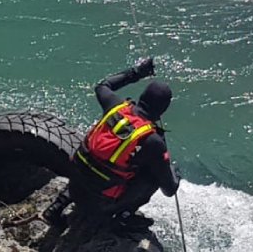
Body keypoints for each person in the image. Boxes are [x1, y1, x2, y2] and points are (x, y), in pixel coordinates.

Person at [43, 57, 180, 233]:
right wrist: (175, 173)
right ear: (163, 110)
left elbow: (102, 86)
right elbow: (169, 190)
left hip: (74, 186)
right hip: (99, 205)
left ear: (142, 97)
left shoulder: (115, 107)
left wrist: (137, 72)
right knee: (151, 176)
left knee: (96, 160)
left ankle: (58, 204)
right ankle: (122, 218)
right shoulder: (152, 141)